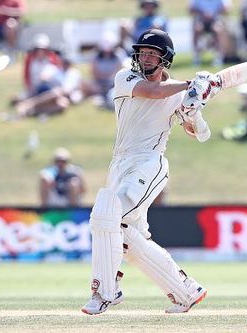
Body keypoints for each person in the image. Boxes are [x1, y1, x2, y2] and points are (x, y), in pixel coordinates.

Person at [81, 29, 222, 315]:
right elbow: (153, 93)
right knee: (130, 237)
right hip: (120, 163)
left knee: (108, 217)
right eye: (142, 53)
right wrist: (191, 85)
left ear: (164, 59)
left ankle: (105, 291)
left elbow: (199, 134)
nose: (144, 58)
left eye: (151, 54)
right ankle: (187, 291)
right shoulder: (125, 77)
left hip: (149, 163)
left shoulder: (179, 93)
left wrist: (195, 106)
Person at [189, 0, 232, 66]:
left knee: (218, 30)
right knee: (197, 28)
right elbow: (190, 10)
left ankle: (219, 57)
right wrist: (202, 13)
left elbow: (227, 10)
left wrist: (214, 13)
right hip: (201, 20)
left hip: (216, 19)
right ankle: (196, 57)